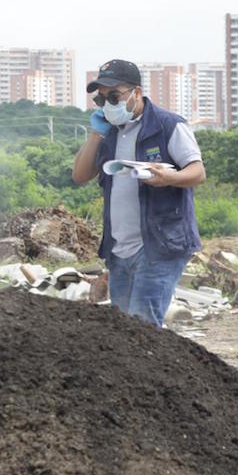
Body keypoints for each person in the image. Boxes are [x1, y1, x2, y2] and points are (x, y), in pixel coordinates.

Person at [72, 59, 205, 327]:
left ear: (136, 93)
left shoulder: (168, 126)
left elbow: (197, 172)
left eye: (114, 96)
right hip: (119, 248)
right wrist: (96, 134)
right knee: (125, 330)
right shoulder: (109, 133)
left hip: (159, 245)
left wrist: (170, 177)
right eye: (101, 100)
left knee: (142, 325)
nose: (108, 104)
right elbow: (80, 176)